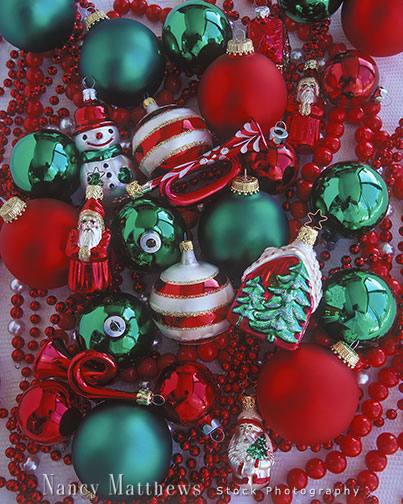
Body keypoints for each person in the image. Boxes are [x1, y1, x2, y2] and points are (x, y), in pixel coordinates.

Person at [66, 185, 111, 293]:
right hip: (78, 276)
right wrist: (87, 253)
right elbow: (69, 251)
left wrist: (83, 253)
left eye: (92, 222)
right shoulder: (74, 233)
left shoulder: (106, 235)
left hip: (98, 275)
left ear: (99, 224)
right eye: (84, 221)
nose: (88, 225)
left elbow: (102, 252)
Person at [228, 396, 274, 490]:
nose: (245, 432)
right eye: (242, 428)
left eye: (250, 428)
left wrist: (257, 463)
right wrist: (242, 466)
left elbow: (270, 460)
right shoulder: (236, 440)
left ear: (258, 430)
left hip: (260, 478)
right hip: (240, 479)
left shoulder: (263, 440)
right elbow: (231, 456)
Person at [286, 60, 324, 153]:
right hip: (295, 131)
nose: (308, 88)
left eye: (312, 86)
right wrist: (298, 108)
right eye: (304, 86)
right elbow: (288, 107)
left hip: (311, 131)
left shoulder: (318, 101)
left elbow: (320, 112)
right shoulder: (294, 99)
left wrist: (310, 109)